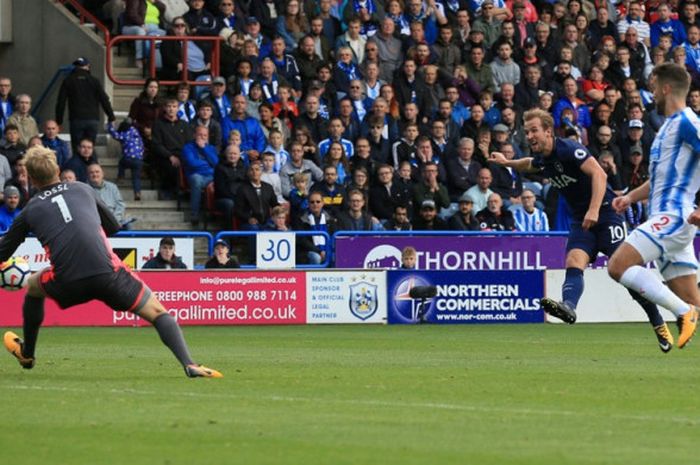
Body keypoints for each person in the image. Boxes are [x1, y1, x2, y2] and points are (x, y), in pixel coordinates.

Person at [0, 147, 220, 378]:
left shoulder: (30, 209)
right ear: (57, 169)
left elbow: (3, 252)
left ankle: (28, 354)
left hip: (67, 281)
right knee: (158, 313)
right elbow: (113, 227)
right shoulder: (83, 189)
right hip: (109, 276)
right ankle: (190, 363)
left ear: (32, 179)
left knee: (33, 286)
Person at [490, 108, 670, 352]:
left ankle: (658, 322)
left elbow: (598, 173)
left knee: (626, 274)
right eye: (527, 131)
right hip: (581, 220)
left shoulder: (567, 149)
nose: (530, 135)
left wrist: (594, 210)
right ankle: (569, 307)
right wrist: (507, 162)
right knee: (574, 260)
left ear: (547, 131)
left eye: (534, 130)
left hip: (606, 215)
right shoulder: (543, 159)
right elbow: (529, 165)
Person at [608, 63, 700, 350]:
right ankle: (689, 309)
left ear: (666, 88)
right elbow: (660, 179)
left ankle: (684, 314)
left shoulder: (688, 122)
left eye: (653, 85)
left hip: (674, 217)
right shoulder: (666, 128)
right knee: (693, 298)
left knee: (618, 265)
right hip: (667, 219)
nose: (651, 92)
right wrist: (630, 198)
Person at [55, 58, 116, 154]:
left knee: (77, 148)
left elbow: (61, 102)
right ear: (87, 67)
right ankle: (92, 165)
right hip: (92, 119)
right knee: (89, 148)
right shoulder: (94, 81)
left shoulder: (68, 80)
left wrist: (59, 121)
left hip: (76, 119)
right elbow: (104, 100)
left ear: (75, 66)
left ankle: (77, 168)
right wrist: (111, 117)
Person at [181, 125, 218, 227]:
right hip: (195, 175)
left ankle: (214, 213)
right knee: (196, 180)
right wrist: (208, 164)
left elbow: (216, 163)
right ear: (194, 135)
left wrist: (204, 149)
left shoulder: (211, 148)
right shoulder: (187, 147)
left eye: (205, 135)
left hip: (211, 176)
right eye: (200, 135)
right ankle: (194, 215)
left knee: (222, 180)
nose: (202, 137)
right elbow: (192, 163)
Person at [87, 163, 132, 230]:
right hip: (95, 221)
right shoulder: (84, 189)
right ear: (88, 175)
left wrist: (114, 219)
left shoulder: (112, 187)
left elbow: (120, 205)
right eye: (92, 172)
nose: (95, 174)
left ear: (102, 174)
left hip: (114, 219)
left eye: (97, 172)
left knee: (128, 225)